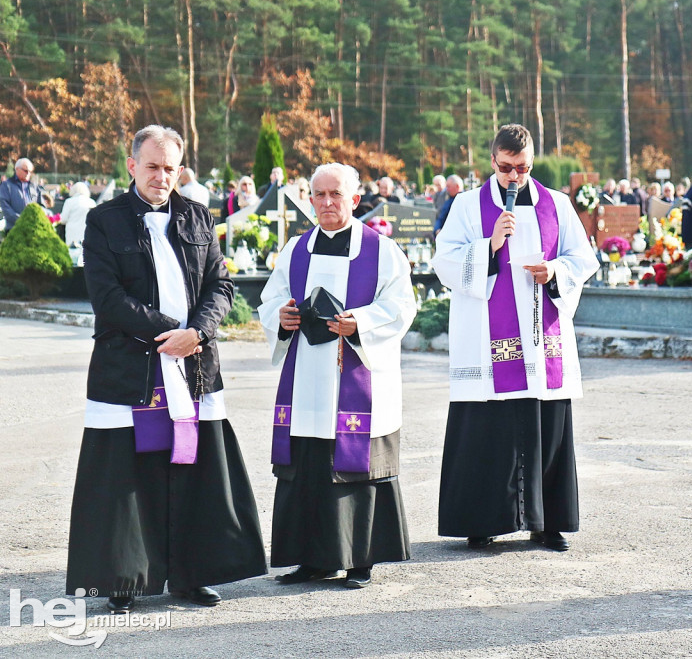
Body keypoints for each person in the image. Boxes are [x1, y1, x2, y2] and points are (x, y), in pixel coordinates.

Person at [66, 125, 266, 613]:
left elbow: (221, 286)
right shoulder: (103, 220)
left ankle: (193, 575)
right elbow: (107, 298)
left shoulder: (198, 216)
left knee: (194, 469)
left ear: (181, 170)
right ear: (131, 165)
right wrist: (166, 333)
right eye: (152, 166)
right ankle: (125, 579)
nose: (161, 177)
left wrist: (196, 332)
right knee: (129, 474)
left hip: (194, 365)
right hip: (129, 368)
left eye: (170, 168)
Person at [433, 124, 598, 552]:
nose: (514, 177)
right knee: (488, 429)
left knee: (546, 426)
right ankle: (482, 520)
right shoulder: (468, 206)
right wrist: (488, 246)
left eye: (522, 168)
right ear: (492, 162)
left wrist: (556, 271)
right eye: (506, 168)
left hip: (542, 339)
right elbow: (444, 262)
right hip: (488, 340)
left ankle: (549, 524)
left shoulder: (557, 205)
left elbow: (583, 259)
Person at [258, 162, 416, 589]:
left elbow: (403, 305)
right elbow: (270, 298)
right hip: (307, 377)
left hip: (356, 378)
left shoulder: (381, 250)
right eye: (319, 195)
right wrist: (282, 316)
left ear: (355, 199)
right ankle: (312, 559)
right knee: (309, 466)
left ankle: (359, 560)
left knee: (354, 468)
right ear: (309, 199)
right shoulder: (295, 249)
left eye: (336, 195)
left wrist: (359, 322)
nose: (327, 203)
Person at [59, 182, 96, 265]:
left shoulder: (69, 202)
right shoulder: (91, 202)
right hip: (87, 233)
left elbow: (63, 219)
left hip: (72, 233)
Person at [0, 158, 42, 230]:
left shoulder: (34, 187)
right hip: (14, 229)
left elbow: (40, 205)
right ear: (17, 169)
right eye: (25, 171)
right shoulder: (7, 185)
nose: (28, 174)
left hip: (32, 228)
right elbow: (6, 208)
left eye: (30, 171)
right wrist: (21, 220)